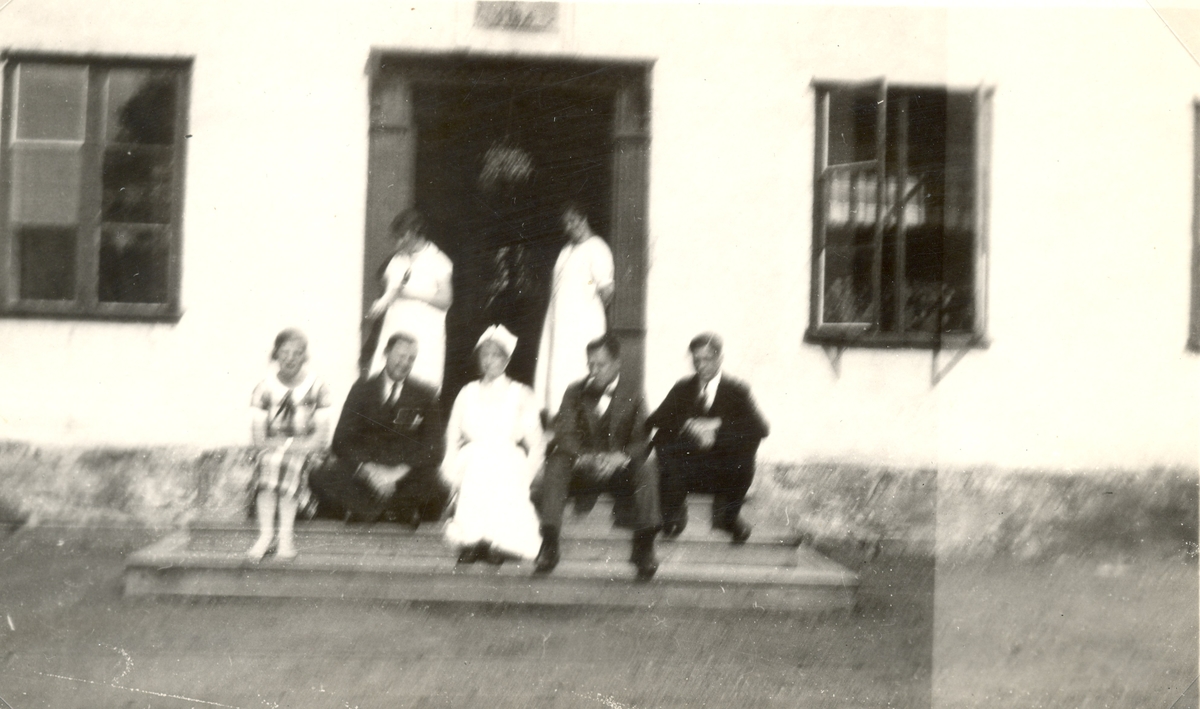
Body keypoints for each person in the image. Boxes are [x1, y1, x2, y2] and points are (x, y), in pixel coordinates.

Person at [534, 334, 661, 581]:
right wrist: (588, 457)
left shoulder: (634, 392)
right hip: (584, 471)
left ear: (617, 364)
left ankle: (645, 546)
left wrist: (620, 457)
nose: (593, 371)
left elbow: (641, 438)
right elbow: (565, 433)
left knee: (647, 465)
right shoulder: (574, 391)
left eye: (600, 364)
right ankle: (549, 543)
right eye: (590, 364)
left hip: (619, 474)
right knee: (557, 460)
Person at [309, 332, 449, 526]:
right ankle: (393, 512)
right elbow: (341, 440)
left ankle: (370, 511)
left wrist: (397, 473)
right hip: (366, 475)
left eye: (411, 358)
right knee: (321, 475)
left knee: (438, 487)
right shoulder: (362, 389)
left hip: (404, 477)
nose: (405, 363)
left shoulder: (426, 393)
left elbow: (435, 448)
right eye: (400, 356)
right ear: (386, 353)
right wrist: (370, 472)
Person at [647, 333, 769, 544]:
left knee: (749, 440)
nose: (701, 365)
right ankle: (673, 513)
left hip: (722, 469)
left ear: (720, 358)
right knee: (662, 438)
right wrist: (690, 424)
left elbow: (762, 428)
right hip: (687, 470)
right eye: (696, 359)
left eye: (707, 359)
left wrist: (718, 426)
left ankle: (729, 517)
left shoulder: (736, 390)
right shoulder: (683, 388)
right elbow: (654, 420)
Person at [442, 325, 544, 565]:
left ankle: (500, 543)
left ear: (506, 360)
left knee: (501, 469)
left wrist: (529, 473)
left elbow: (536, 442)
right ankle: (471, 540)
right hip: (473, 455)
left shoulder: (520, 394)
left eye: (496, 355)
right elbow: (452, 434)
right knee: (478, 466)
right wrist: (449, 466)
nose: (489, 361)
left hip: (507, 455)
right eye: (484, 355)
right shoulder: (467, 392)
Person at [246, 329, 332, 561]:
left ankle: (285, 538)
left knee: (286, 462)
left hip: (308, 453)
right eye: (284, 352)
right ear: (276, 355)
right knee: (271, 460)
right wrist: (287, 446)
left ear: (305, 356)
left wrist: (286, 446)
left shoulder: (318, 388)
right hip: (272, 451)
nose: (290, 358)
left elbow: (320, 439)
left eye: (297, 353)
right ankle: (265, 535)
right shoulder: (263, 388)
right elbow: (258, 439)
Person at [534, 202, 614, 421]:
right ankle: (557, 419)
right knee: (558, 369)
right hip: (560, 326)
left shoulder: (597, 247)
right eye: (567, 223)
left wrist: (586, 315)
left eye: (574, 220)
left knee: (579, 368)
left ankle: (580, 420)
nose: (571, 227)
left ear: (584, 218)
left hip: (582, 326)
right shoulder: (566, 250)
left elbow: (607, 291)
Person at [367, 209, 454, 390]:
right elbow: (391, 291)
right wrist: (381, 304)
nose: (398, 243)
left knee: (419, 386)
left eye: (402, 237)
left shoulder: (438, 260)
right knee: (383, 384)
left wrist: (413, 293)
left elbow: (446, 299)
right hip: (395, 329)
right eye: (396, 238)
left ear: (414, 233)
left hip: (423, 334)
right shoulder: (397, 260)